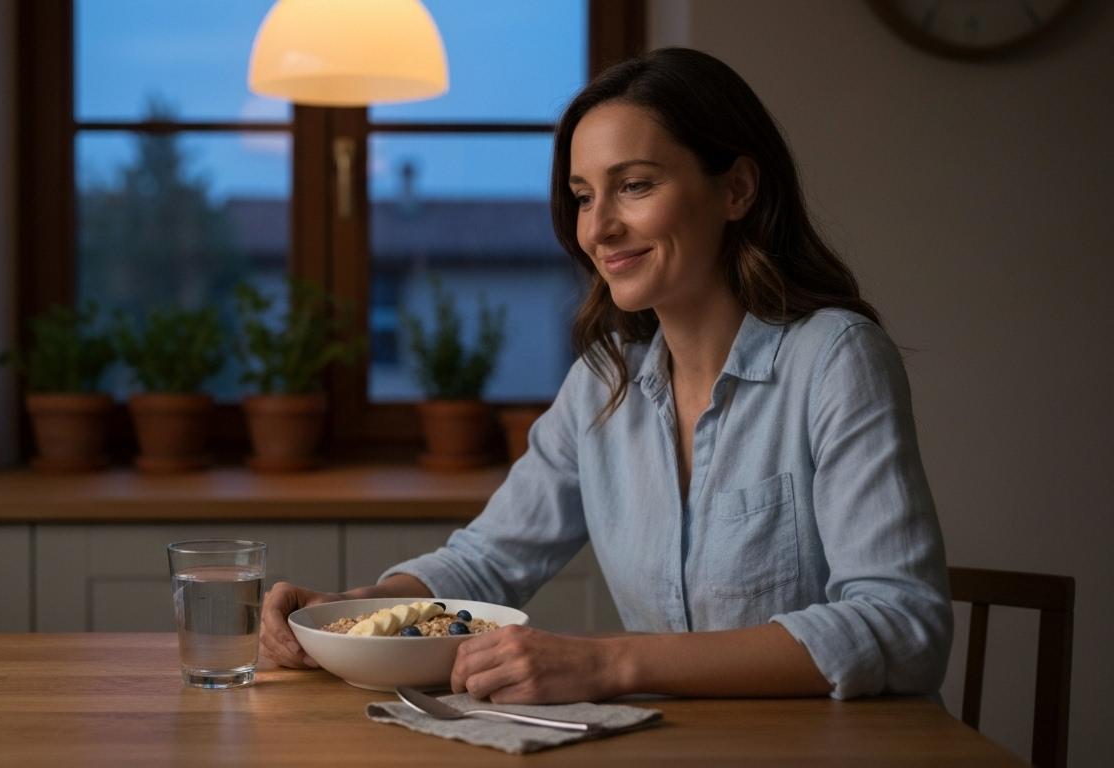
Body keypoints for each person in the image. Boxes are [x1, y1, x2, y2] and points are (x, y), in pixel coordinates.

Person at [259, 47, 952, 704]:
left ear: (736, 188)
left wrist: (608, 663)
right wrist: (350, 612)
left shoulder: (836, 360)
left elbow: (904, 624)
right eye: (585, 196)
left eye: (636, 186)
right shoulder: (605, 379)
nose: (599, 228)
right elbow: (488, 560)